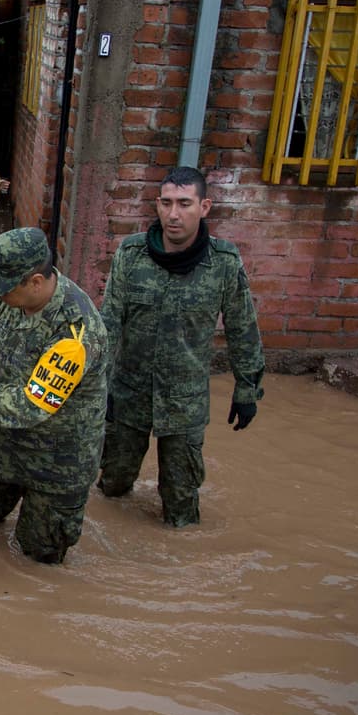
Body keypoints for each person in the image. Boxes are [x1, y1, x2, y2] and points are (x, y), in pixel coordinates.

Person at [98, 166, 264, 527]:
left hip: (184, 402)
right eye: (167, 203)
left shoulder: (222, 263)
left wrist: (247, 388)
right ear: (157, 205)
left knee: (181, 506)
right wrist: (100, 386)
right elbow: (108, 324)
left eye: (184, 204)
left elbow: (243, 328)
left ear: (204, 207)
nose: (174, 214)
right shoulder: (131, 255)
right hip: (129, 393)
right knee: (112, 486)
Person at [0, 227, 108, 564]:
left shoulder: (77, 333)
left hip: (57, 460)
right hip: (5, 441)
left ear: (35, 282)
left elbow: (32, 406)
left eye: (4, 291)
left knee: (38, 557)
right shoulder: (14, 300)